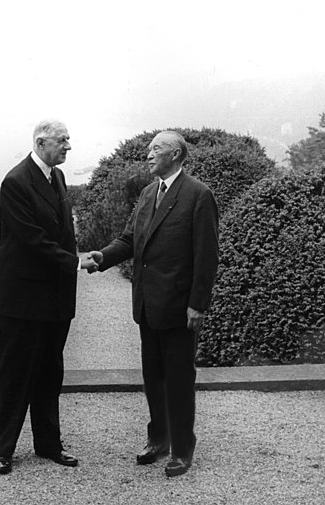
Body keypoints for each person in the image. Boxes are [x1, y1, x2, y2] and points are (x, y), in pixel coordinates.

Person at [86, 130, 219, 478]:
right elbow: (130, 239)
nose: (148, 155)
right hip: (147, 305)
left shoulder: (198, 195)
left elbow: (206, 256)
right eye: (149, 149)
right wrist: (103, 257)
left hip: (178, 307)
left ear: (175, 154)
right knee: (153, 377)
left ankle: (181, 450)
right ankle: (158, 439)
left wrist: (197, 305)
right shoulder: (148, 193)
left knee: (177, 379)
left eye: (155, 149)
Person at [0, 119, 98, 475]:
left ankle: (48, 444)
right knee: (16, 374)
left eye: (68, 140)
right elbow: (31, 240)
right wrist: (76, 263)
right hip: (22, 300)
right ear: (41, 143)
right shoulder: (16, 182)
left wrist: (76, 259)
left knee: (51, 373)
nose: (69, 146)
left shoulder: (57, 176)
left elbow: (62, 233)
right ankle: (4, 448)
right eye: (63, 141)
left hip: (54, 298)